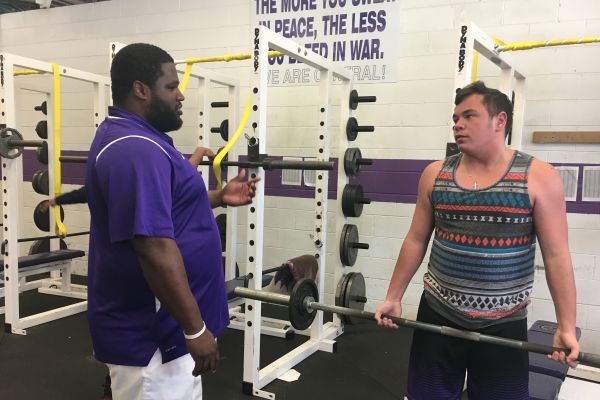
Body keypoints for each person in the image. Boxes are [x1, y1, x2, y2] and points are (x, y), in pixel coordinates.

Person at [374, 81, 579, 400]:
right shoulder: (435, 174)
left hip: (504, 323)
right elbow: (416, 239)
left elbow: (556, 255)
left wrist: (566, 326)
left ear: (500, 121)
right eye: (455, 118)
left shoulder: (539, 177)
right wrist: (393, 295)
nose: (458, 124)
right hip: (438, 314)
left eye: (469, 116)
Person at [85, 43, 259, 400]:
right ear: (141, 90)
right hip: (155, 337)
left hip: (167, 332)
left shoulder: (141, 140)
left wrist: (216, 197)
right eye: (171, 86)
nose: (180, 95)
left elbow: (164, 208)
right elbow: (153, 247)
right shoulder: (135, 149)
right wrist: (195, 330)